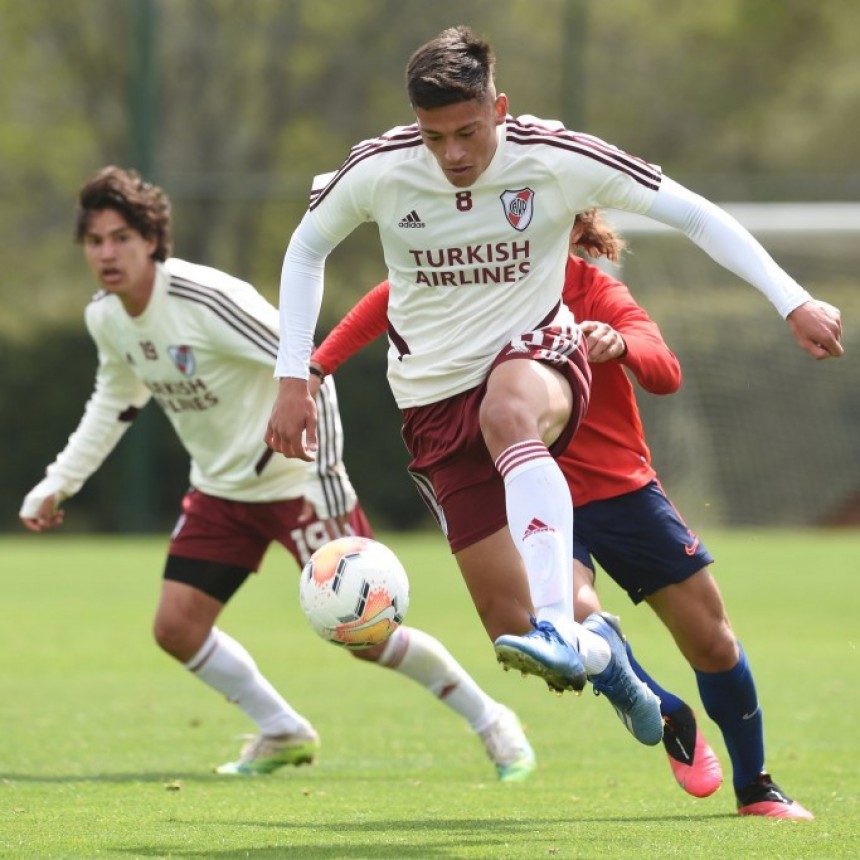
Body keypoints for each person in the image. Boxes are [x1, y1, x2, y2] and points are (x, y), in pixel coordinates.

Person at [266, 27, 842, 750]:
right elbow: (307, 246)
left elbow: (693, 212)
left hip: (536, 357)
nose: (454, 155)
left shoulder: (555, 158)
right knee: (508, 629)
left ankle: (560, 627)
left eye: (469, 132)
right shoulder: (382, 169)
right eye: (435, 136)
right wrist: (296, 375)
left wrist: (792, 300)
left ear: (499, 109)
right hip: (432, 403)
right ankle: (608, 666)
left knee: (509, 411)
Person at [19, 165, 538, 783]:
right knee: (176, 627)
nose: (107, 252)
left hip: (298, 485)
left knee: (366, 636)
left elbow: (310, 367)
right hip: (220, 490)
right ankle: (282, 729)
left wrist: (321, 470)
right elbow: (114, 399)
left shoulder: (205, 300)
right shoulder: (106, 317)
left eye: (121, 238)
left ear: (152, 240)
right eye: (96, 241)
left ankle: (492, 721)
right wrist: (59, 482)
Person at [307, 209, 815, 819]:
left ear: (575, 232)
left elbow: (666, 371)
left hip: (622, 490)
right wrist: (313, 368)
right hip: (536, 501)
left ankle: (755, 783)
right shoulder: (476, 282)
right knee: (570, 614)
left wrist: (622, 344)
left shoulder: (596, 289)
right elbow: (389, 297)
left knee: (711, 638)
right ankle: (661, 708)